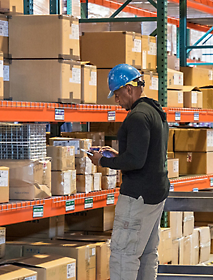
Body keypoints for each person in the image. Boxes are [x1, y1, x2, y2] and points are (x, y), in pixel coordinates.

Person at [87, 64, 169, 280]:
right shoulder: (155, 112)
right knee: (146, 254)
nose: (116, 99)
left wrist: (102, 161)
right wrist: (118, 155)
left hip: (137, 197)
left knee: (124, 255)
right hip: (155, 194)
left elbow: (135, 161)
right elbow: (145, 153)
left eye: (117, 93)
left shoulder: (137, 117)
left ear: (129, 88)